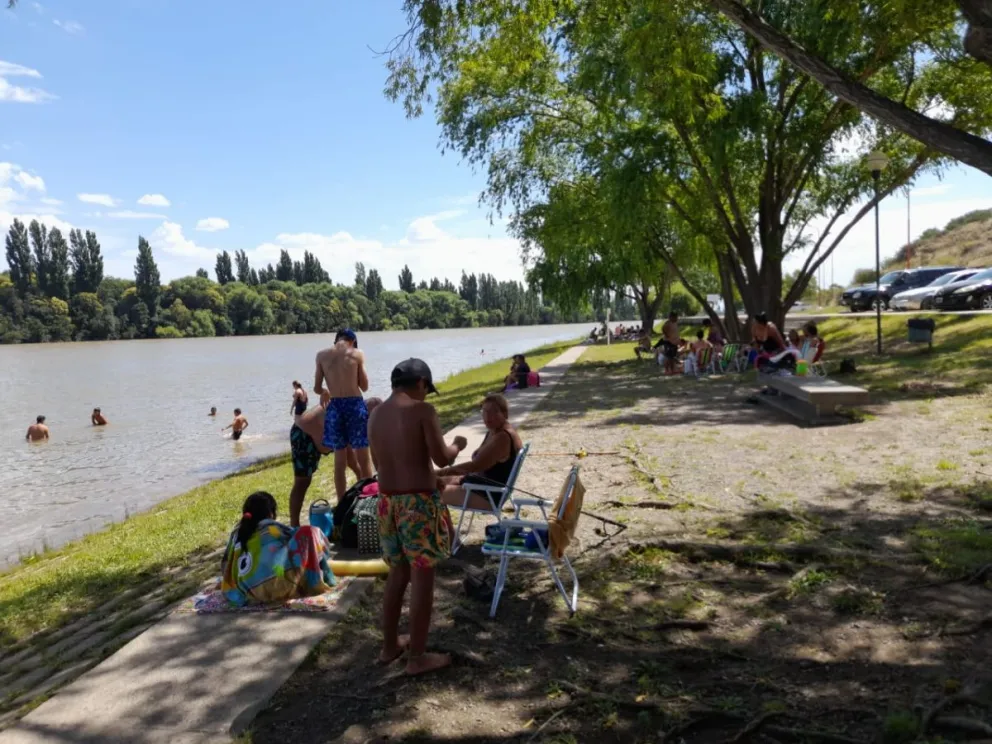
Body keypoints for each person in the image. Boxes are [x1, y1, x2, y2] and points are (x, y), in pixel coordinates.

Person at [368, 358, 468, 676]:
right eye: (426, 388)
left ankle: (389, 647)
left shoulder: (375, 414)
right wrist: (457, 445)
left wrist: (423, 475)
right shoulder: (422, 410)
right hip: (417, 506)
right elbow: (441, 456)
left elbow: (382, 463)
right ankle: (417, 658)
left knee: (397, 573)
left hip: (387, 503)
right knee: (423, 578)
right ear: (422, 383)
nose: (426, 394)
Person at [220, 491, 336, 606]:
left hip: (248, 590)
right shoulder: (272, 528)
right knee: (310, 533)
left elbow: (225, 564)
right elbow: (298, 540)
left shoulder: (237, 533)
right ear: (271, 513)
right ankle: (322, 578)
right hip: (277, 587)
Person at [288, 396, 383, 527]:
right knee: (302, 482)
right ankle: (294, 525)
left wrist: (365, 489)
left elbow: (354, 461)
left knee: (356, 467)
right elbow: (340, 466)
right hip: (303, 434)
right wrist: (342, 507)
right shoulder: (351, 416)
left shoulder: (355, 414)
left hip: (320, 434)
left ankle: (348, 507)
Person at [315, 329, 372, 503]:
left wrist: (325, 391)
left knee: (339, 462)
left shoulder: (321, 355)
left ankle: (341, 503)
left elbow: (317, 388)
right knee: (363, 459)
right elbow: (365, 386)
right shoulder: (357, 354)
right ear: (352, 342)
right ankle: (369, 498)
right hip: (354, 405)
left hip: (335, 408)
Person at [438, 393, 523, 511]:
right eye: (484, 411)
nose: (488, 416)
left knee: (428, 491)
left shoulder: (502, 437)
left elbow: (474, 466)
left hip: (488, 495)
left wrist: (439, 472)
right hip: (477, 484)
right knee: (428, 482)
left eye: (494, 411)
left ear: (505, 413)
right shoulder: (493, 432)